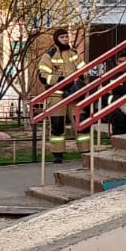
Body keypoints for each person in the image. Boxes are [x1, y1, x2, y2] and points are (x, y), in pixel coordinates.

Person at [36, 28, 82, 163]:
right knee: (57, 125)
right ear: (56, 39)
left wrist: (79, 82)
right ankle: (57, 155)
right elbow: (43, 76)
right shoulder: (48, 55)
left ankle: (86, 152)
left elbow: (83, 70)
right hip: (56, 95)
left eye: (67, 37)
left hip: (74, 93)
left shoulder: (74, 53)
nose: (65, 39)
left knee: (81, 123)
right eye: (62, 37)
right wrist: (60, 81)